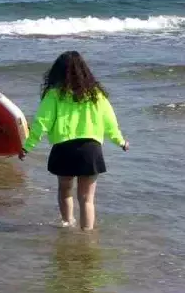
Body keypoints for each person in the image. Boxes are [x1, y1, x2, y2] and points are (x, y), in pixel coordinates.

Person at [18, 51, 129, 230]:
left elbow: (41, 123)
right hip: (90, 149)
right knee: (87, 199)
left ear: (57, 72)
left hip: (64, 148)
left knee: (65, 190)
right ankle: (87, 234)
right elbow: (110, 122)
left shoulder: (54, 94)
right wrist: (121, 141)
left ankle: (68, 223)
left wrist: (27, 147)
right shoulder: (96, 95)